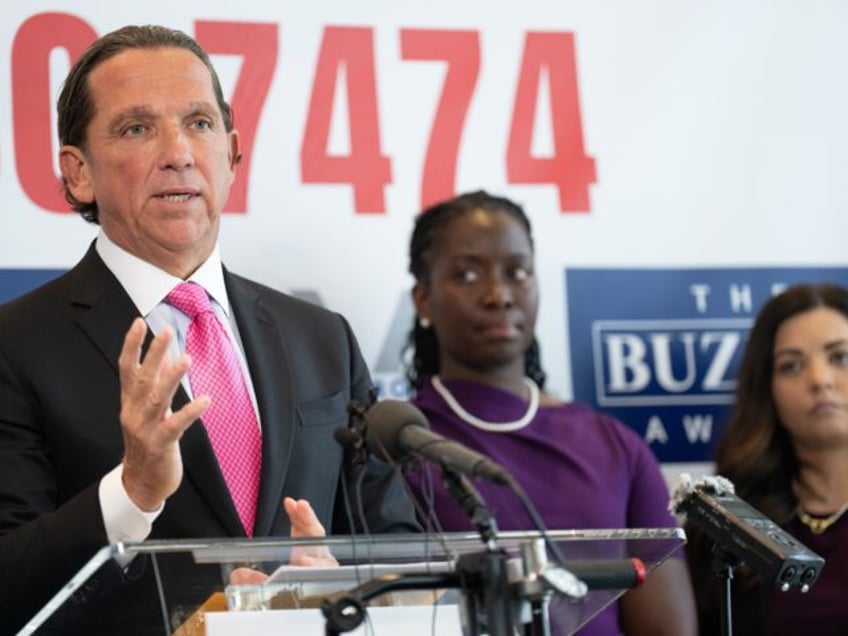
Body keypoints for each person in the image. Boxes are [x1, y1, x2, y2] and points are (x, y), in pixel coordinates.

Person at [0, 25, 418, 634]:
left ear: (232, 152)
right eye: (138, 128)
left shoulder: (321, 338)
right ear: (78, 172)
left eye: (199, 123)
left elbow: (398, 545)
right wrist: (133, 492)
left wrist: (341, 583)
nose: (179, 151)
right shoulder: (17, 345)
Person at [401, 190, 697, 635]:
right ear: (423, 299)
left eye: (517, 272)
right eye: (466, 274)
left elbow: (668, 628)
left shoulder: (612, 444)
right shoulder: (399, 443)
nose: (499, 295)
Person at [685, 283, 848, 635]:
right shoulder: (723, 521)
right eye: (791, 366)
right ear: (767, 387)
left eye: (840, 358)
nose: (820, 380)